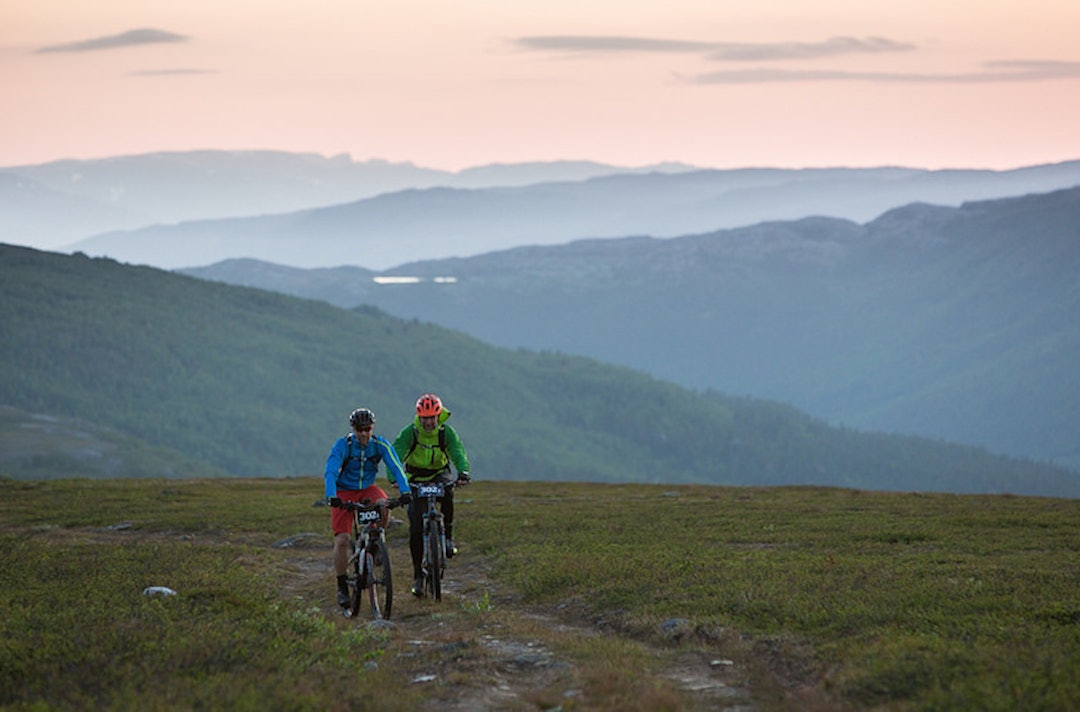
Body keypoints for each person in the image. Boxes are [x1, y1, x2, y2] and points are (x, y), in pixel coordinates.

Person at [324, 407, 412, 609]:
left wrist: (405, 491)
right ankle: (342, 585)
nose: (363, 434)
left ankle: (375, 542)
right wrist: (331, 496)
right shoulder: (343, 445)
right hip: (344, 491)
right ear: (353, 429)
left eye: (367, 429)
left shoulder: (380, 445)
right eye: (359, 430)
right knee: (342, 540)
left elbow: (396, 467)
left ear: (372, 428)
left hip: (367, 489)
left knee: (384, 504)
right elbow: (331, 470)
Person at [393, 393, 471, 597]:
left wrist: (463, 471)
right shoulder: (410, 433)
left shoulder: (446, 433)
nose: (428, 422)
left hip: (439, 473)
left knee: (448, 493)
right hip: (415, 477)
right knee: (416, 528)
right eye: (424, 418)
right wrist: (395, 478)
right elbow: (396, 454)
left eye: (432, 418)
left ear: (438, 416)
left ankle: (448, 538)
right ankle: (418, 576)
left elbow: (458, 451)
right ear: (419, 417)